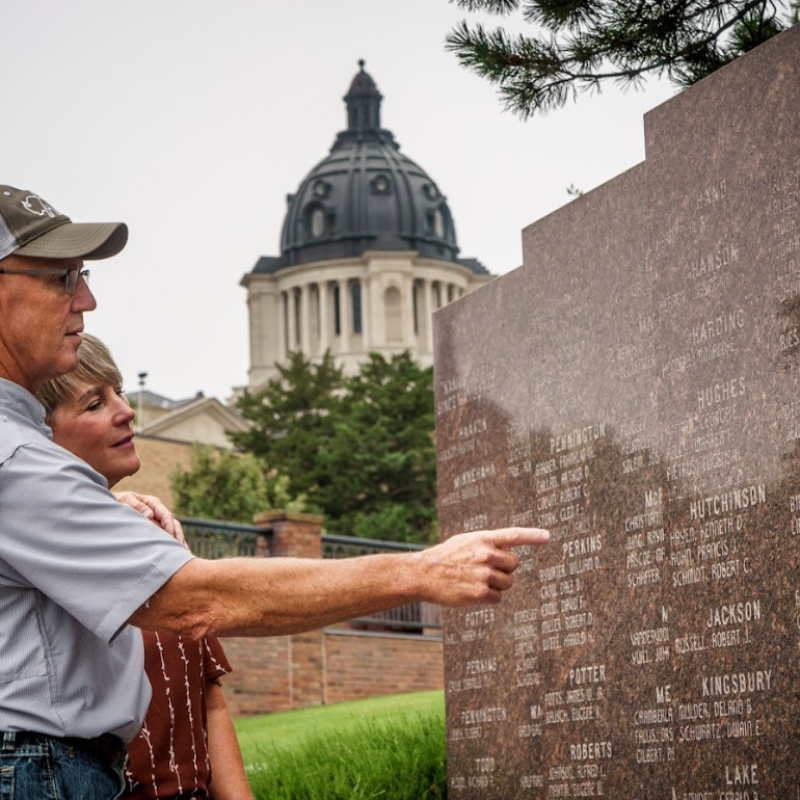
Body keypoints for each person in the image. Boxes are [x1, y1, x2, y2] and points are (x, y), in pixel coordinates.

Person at [0, 183, 550, 800]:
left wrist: (99, 510)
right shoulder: (16, 459)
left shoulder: (26, 455)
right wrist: (420, 570)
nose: (88, 298)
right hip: (38, 767)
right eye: (62, 278)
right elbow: (194, 601)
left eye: (83, 273)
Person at [37, 334, 254, 800]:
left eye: (119, 391)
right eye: (95, 403)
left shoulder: (154, 535)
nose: (127, 410)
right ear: (40, 441)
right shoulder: (33, 559)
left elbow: (208, 699)